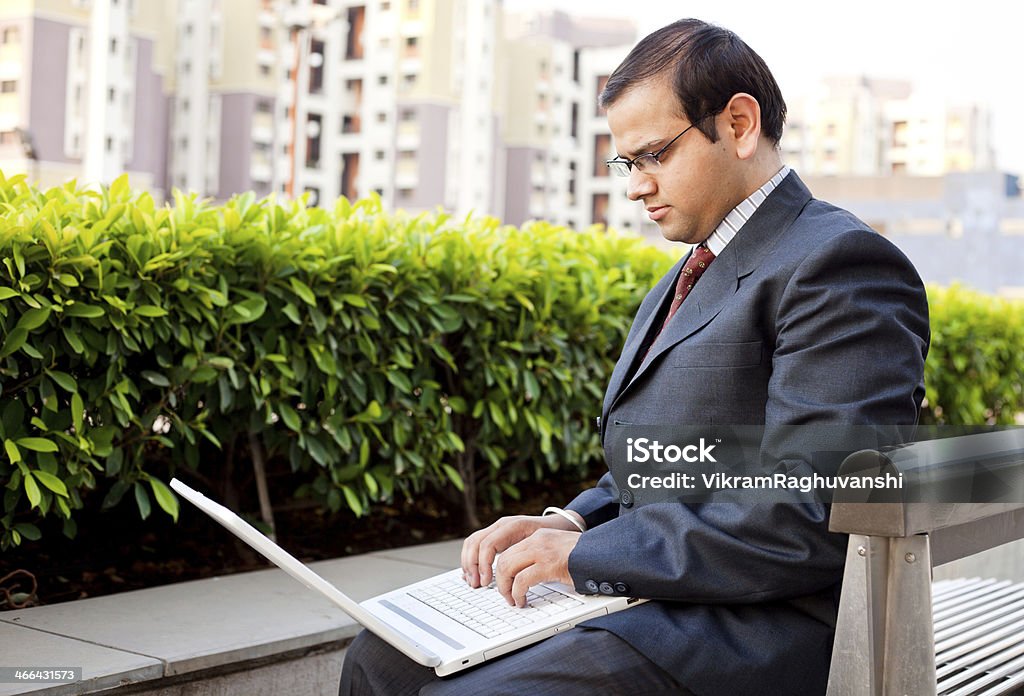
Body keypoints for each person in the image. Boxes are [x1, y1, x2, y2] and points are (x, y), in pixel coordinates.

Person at [339, 18, 929, 696]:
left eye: (653, 155)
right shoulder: (688, 276)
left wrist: (585, 555)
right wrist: (571, 520)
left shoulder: (839, 264)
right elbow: (682, 463)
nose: (636, 186)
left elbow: (814, 509)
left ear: (739, 124)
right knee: (379, 657)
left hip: (764, 627)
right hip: (661, 598)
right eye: (626, 164)